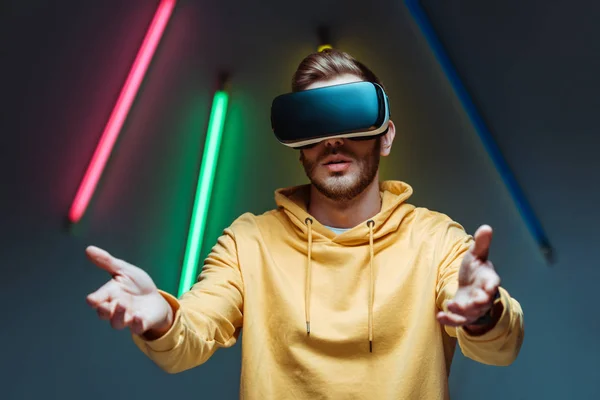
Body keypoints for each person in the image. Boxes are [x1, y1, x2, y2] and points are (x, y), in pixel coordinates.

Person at [85, 49, 524, 400]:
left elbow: (501, 347)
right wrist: (162, 317)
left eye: (350, 119)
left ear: (386, 135)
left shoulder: (436, 240)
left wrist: (481, 313)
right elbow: (192, 333)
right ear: (299, 143)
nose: (333, 140)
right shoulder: (249, 242)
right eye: (316, 124)